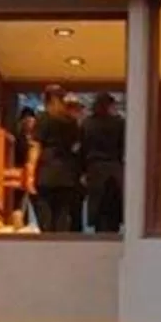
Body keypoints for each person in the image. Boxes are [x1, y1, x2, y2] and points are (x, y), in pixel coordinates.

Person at [31, 90, 86, 233]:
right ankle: (60, 250)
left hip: (45, 172)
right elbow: (76, 147)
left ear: (48, 100)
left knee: (45, 219)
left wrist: (30, 172)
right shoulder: (72, 122)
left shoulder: (43, 118)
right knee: (62, 217)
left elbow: (36, 146)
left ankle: (46, 250)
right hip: (67, 174)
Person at [82, 92, 127, 233]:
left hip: (95, 168)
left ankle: (99, 232)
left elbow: (84, 147)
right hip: (114, 168)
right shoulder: (119, 123)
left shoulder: (88, 123)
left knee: (97, 205)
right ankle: (112, 232)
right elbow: (123, 146)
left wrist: (83, 170)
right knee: (113, 206)